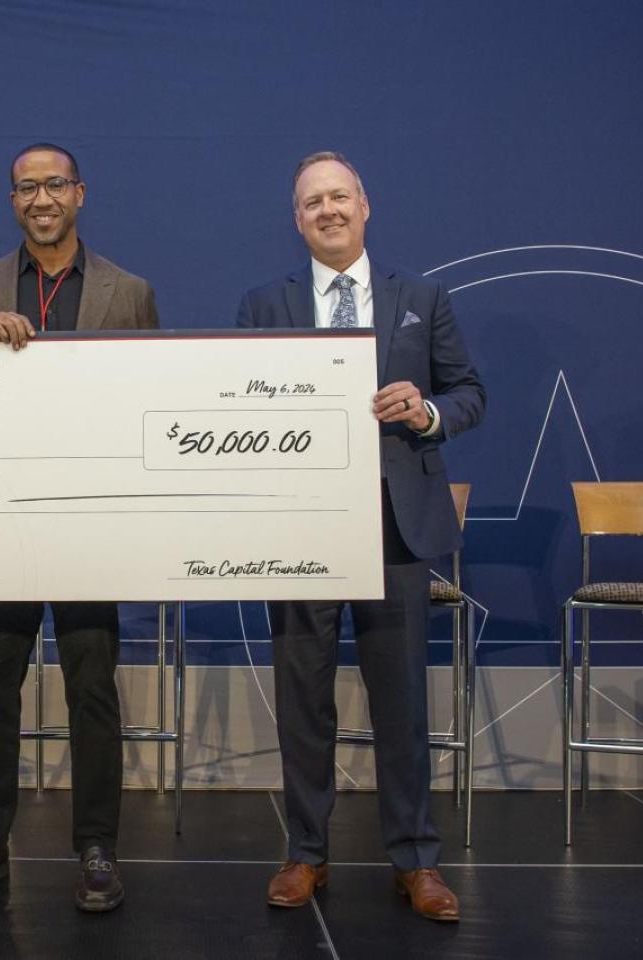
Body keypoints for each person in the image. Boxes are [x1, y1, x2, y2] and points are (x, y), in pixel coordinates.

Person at [237, 152, 485, 921]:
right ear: (297, 218)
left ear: (365, 206)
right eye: (312, 202)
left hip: (394, 527)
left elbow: (470, 394)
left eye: (339, 196)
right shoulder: (262, 305)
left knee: (401, 701)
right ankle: (305, 854)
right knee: (302, 698)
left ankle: (416, 859)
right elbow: (239, 406)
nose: (327, 210)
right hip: (300, 525)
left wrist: (427, 411)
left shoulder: (423, 297)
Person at [0, 143, 159, 912]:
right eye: (26, 187)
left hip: (89, 528)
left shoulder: (130, 293)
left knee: (93, 692)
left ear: (80, 194)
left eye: (54, 185)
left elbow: (148, 410)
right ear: (12, 201)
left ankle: (97, 848)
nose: (41, 198)